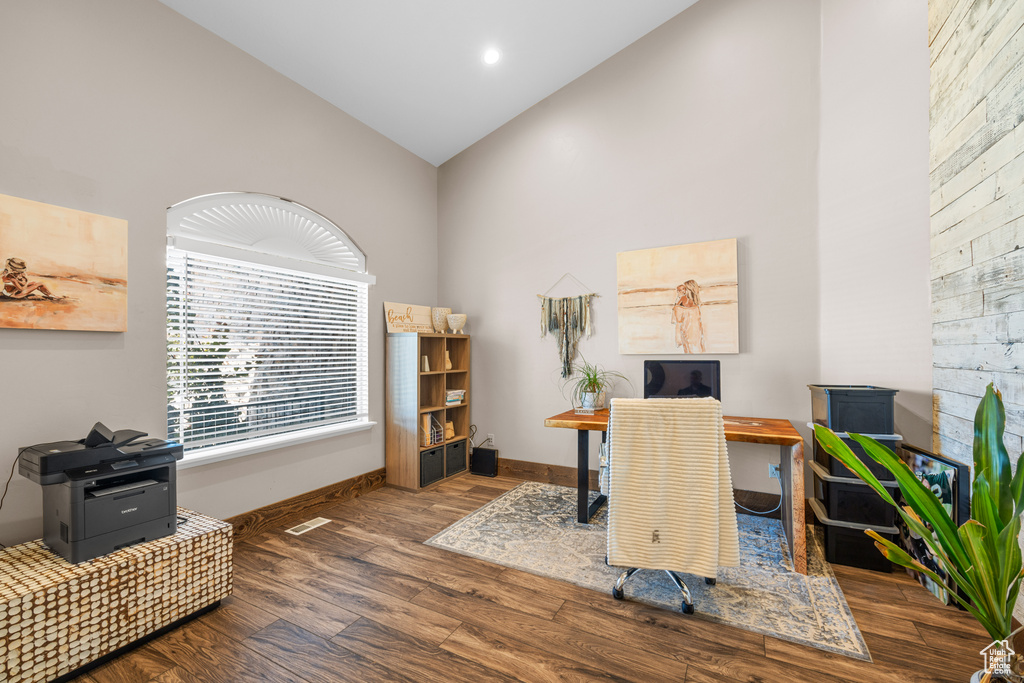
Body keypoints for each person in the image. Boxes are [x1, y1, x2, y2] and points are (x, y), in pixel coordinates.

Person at [672, 279, 706, 353]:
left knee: (688, 350)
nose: (683, 290)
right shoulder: (696, 303)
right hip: (696, 331)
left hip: (686, 330)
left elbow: (675, 317)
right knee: (697, 349)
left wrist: (677, 299)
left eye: (685, 288)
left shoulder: (683, 299)